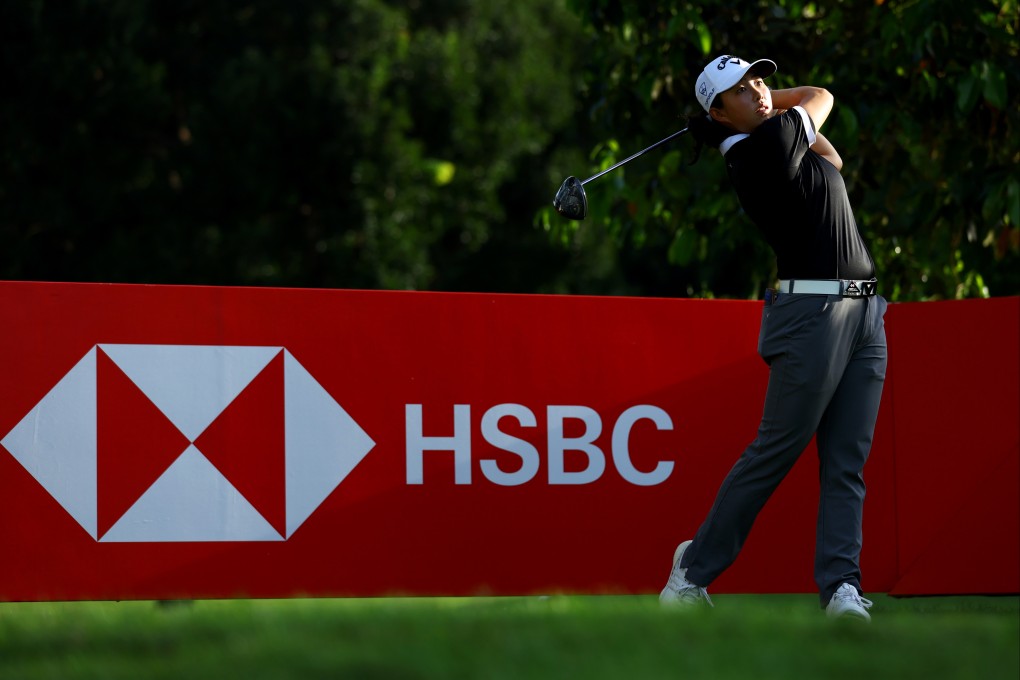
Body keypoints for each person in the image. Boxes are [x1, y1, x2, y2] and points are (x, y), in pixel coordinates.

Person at [659, 55, 888, 621]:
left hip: (865, 314)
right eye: (741, 90)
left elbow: (831, 161)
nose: (760, 92)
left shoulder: (779, 141)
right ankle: (689, 574)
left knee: (846, 461)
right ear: (718, 111)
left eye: (759, 80)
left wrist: (743, 108)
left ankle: (841, 589)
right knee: (774, 453)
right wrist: (769, 106)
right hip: (812, 314)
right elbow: (822, 92)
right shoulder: (761, 147)